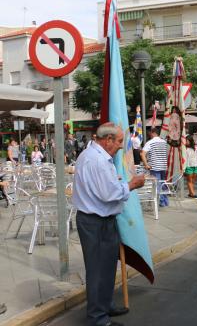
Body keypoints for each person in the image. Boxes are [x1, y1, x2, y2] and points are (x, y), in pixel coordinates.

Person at [72, 122, 145, 326]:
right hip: (95, 222)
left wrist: (118, 182)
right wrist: (131, 184)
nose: (122, 145)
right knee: (97, 270)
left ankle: (105, 306)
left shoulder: (93, 156)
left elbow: (103, 188)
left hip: (99, 220)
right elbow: (109, 194)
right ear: (108, 140)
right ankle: (98, 317)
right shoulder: (98, 160)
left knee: (105, 268)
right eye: (120, 141)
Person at [141, 128, 169, 206]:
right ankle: (165, 201)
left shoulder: (150, 142)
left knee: (157, 184)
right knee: (163, 183)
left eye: (150, 133)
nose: (149, 134)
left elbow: (142, 153)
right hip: (163, 166)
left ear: (153, 133)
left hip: (154, 166)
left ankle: (161, 201)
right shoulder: (164, 142)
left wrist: (146, 164)